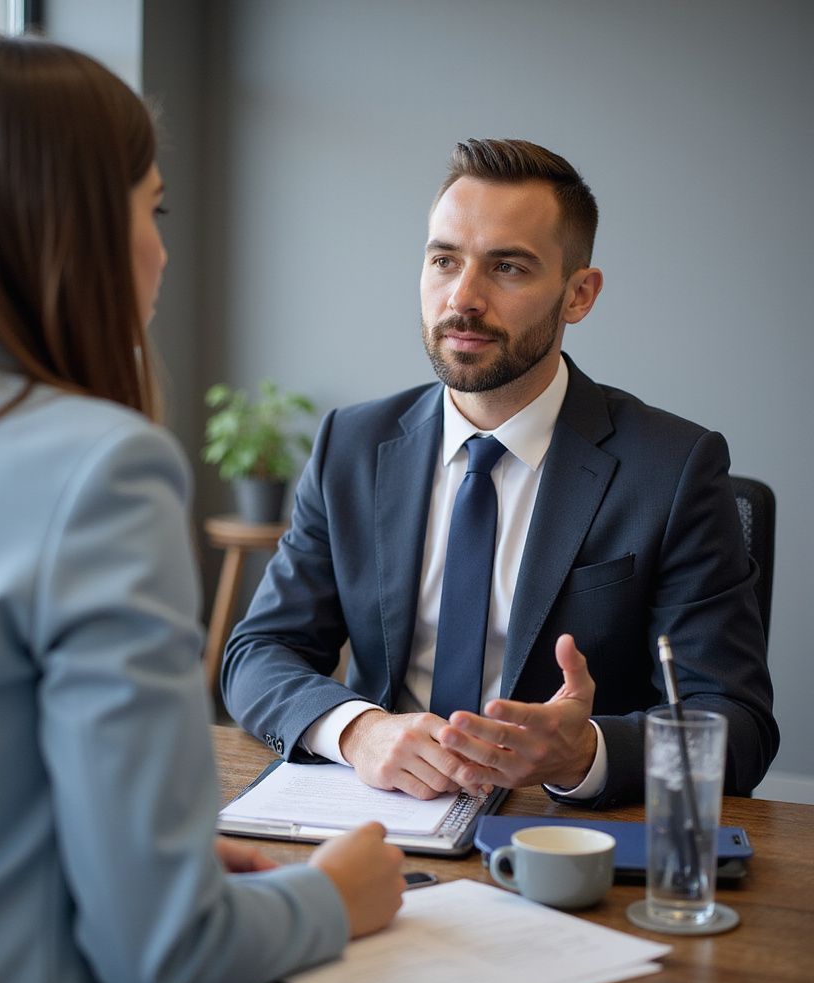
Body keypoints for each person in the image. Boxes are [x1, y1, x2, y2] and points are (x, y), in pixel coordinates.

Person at [0, 33, 405, 983]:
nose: (162, 245)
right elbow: (165, 952)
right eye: (152, 206)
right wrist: (331, 896)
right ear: (72, 226)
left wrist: (126, 852)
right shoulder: (98, 470)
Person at [222, 138, 778, 809]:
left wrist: (586, 753)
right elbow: (258, 652)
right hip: (381, 818)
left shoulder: (674, 468)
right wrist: (358, 731)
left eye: (508, 267)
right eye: (443, 261)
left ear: (579, 295)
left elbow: (737, 724)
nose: (463, 298)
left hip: (564, 837)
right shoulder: (352, 445)